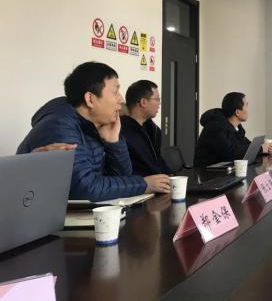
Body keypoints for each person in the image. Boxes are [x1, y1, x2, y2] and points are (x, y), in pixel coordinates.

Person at [17, 62, 171, 201]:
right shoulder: (59, 126)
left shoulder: (94, 126)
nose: (121, 99)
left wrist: (114, 143)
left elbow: (121, 178)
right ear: (90, 99)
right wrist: (144, 184)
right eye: (115, 92)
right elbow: (86, 188)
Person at [194, 92, 272, 168]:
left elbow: (246, 146)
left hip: (226, 171)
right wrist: (260, 148)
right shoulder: (215, 127)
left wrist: (264, 148)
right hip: (206, 174)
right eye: (246, 105)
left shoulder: (237, 127)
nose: (248, 110)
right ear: (237, 112)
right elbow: (230, 153)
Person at [120, 80, 171, 176]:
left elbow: (157, 160)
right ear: (143, 102)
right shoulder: (121, 133)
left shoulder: (153, 130)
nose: (159, 103)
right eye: (157, 99)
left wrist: (170, 176)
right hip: (140, 184)